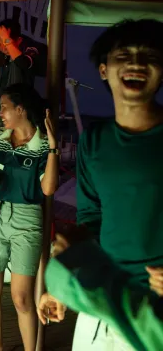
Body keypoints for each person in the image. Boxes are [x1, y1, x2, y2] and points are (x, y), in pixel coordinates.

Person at [36, 19, 163, 350]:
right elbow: (91, 218)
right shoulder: (94, 140)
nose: (136, 63)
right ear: (104, 70)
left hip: (155, 308)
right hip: (101, 295)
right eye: (123, 55)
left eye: (149, 56)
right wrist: (67, 284)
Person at [0, 83, 59, 351]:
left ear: (21, 110)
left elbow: (48, 189)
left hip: (26, 220)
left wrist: (53, 148)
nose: (0, 114)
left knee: (21, 298)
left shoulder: (42, 145)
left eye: (4, 108)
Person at [37, 228, 163, 351]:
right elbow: (94, 221)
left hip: (139, 307)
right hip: (102, 311)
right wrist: (66, 289)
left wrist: (66, 281)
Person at [0, 19, 38, 152]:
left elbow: (23, 63)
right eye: (0, 43)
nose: (3, 47)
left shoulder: (29, 53)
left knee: (12, 151)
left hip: (17, 115)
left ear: (19, 40)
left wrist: (7, 39)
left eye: (6, 42)